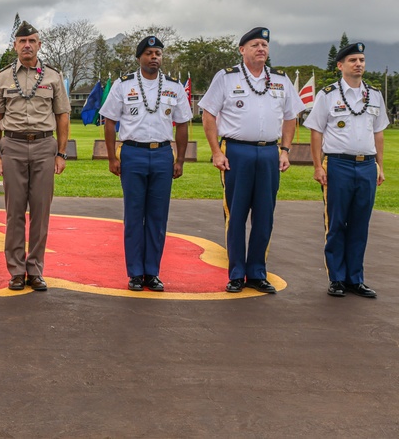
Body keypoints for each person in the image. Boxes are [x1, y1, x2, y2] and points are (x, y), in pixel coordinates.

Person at [200, 27, 304, 293]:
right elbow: (209, 114)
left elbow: (292, 116)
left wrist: (285, 150)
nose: (261, 49)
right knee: (236, 215)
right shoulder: (226, 78)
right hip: (237, 152)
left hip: (269, 152)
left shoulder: (280, 80)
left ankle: (257, 272)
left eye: (265, 45)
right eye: (255, 44)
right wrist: (216, 151)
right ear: (242, 50)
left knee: (264, 215)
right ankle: (236, 273)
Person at [101, 36, 192, 292]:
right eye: (150, 53)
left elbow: (183, 124)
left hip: (163, 153)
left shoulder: (173, 87)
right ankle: (135, 273)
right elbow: (109, 121)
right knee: (133, 215)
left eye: (158, 54)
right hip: (133, 153)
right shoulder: (123, 85)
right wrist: (112, 157)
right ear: (140, 57)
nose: (155, 58)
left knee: (157, 216)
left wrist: (180, 159)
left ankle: (152, 271)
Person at [0, 21, 70, 292]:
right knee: (14, 213)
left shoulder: (52, 76)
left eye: (32, 41)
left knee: (40, 211)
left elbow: (62, 116)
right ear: (15, 45)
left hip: (44, 147)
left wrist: (61, 153)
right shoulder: (2, 77)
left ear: (39, 45)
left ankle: (35, 270)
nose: (27, 45)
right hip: (12, 146)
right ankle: (15, 270)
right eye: (22, 41)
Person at [304, 42, 388, 298]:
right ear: (340, 65)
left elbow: (379, 133)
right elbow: (316, 131)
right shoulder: (328, 94)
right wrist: (318, 165)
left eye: (361, 60)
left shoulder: (374, 94)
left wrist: (380, 166)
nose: (359, 64)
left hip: (366, 165)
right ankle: (337, 278)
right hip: (338, 164)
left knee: (360, 224)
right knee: (337, 222)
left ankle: (355, 278)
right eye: (353, 60)